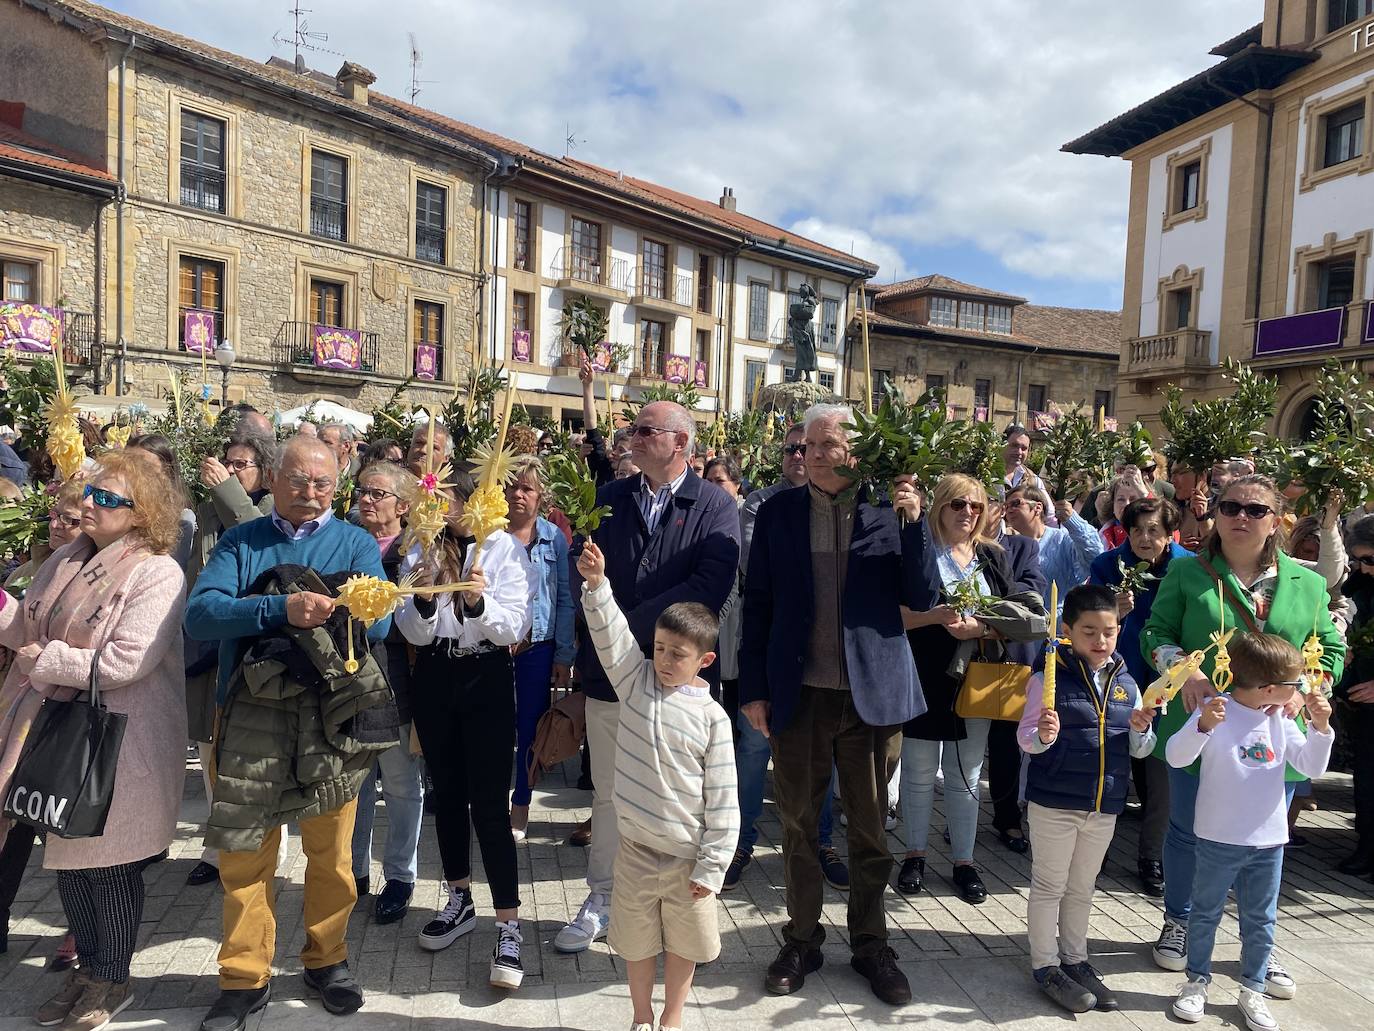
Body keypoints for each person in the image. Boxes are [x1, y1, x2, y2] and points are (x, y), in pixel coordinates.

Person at [186, 436, 394, 1031]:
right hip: (251, 717)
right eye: (299, 480)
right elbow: (201, 613)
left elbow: (378, 618)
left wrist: (351, 606)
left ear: (339, 485)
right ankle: (243, 978)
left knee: (331, 855)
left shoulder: (354, 542)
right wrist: (279, 610)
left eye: (323, 483)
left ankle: (327, 961)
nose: (310, 492)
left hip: (333, 719)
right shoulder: (242, 540)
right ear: (272, 479)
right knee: (244, 852)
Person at [739, 403, 932, 1006]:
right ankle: (801, 939)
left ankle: (871, 944)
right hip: (800, 695)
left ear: (858, 448)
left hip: (872, 697)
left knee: (870, 830)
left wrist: (913, 524)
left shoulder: (888, 506)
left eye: (829, 444)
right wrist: (753, 690)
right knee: (798, 824)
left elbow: (923, 593)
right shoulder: (777, 512)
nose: (816, 455)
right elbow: (759, 603)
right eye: (807, 445)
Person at [2, 450, 187, 1029]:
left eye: (107, 499)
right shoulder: (65, 557)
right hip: (58, 729)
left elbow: (128, 659)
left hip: (116, 741)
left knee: (108, 867)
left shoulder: (158, 571)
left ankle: (112, 979)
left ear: (141, 514)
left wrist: (45, 660)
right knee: (68, 860)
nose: (89, 504)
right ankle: (88, 972)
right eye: (90, 493)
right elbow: (27, 626)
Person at [1140, 474, 1344, 990]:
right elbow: (1154, 634)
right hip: (1205, 724)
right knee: (1187, 828)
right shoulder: (1189, 573)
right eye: (1230, 506)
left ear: (1277, 520)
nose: (1240, 516)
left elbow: (1331, 650)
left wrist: (1306, 686)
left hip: (1278, 732)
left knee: (1269, 839)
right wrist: (1186, 672)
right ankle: (1180, 921)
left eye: (1255, 510)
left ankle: (1261, 944)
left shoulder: (1309, 583)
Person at [555, 401, 739, 955]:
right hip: (610, 677)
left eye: (644, 430)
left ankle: (674, 901)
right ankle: (602, 899)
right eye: (632, 430)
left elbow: (710, 584)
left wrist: (627, 628)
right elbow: (579, 571)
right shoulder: (609, 499)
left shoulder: (713, 505)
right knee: (611, 793)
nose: (630, 437)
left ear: (680, 444)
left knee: (681, 794)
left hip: (677, 681)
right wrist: (604, 621)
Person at [577, 539, 737, 1031]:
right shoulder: (636, 681)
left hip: (689, 859)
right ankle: (641, 1016)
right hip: (637, 851)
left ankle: (672, 1017)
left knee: (685, 948)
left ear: (704, 662)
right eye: (660, 649)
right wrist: (598, 585)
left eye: (678, 655)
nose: (664, 661)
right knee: (636, 941)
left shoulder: (713, 719)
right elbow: (613, 638)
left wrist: (712, 868)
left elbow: (724, 802)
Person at [395, 469, 535, 988]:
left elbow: (514, 627)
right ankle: (458, 899)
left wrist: (478, 603)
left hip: (486, 678)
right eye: (433, 495)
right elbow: (409, 627)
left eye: (447, 494)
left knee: (489, 806)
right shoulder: (422, 546)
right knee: (447, 795)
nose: (439, 502)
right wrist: (427, 600)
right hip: (435, 676)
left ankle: (509, 924)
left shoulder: (502, 549)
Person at [1165, 633, 1334, 1031]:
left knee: (1260, 919)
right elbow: (1176, 755)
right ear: (1269, 687)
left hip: (1268, 842)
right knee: (1204, 914)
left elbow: (1311, 767)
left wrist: (1321, 728)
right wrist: (1202, 727)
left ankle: (1252, 988)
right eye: (1295, 684)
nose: (1299, 691)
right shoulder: (1215, 709)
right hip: (1218, 837)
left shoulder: (1281, 719)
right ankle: (1196, 982)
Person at [898, 473, 1045, 905]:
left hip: (978, 678)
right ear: (938, 506)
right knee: (920, 773)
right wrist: (938, 618)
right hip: (924, 675)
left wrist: (979, 626)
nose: (968, 513)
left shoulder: (993, 556)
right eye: (958, 505)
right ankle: (914, 856)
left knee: (966, 777)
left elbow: (1016, 616)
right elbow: (898, 615)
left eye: (977, 506)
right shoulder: (918, 549)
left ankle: (964, 862)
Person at [1018, 585, 1157, 1013]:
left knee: (1081, 888)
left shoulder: (1128, 682)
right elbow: (1025, 740)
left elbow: (1141, 750)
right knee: (1049, 886)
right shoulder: (1047, 677)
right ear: (1067, 631)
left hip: (1104, 805)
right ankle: (1045, 965)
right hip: (1055, 804)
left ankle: (1075, 958)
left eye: (1109, 632)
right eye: (1089, 631)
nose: (1100, 641)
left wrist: (1139, 729)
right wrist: (1044, 735)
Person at [727, 424, 848, 891]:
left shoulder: (851, 504)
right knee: (755, 750)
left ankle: (823, 841)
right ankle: (741, 840)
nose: (802, 455)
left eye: (813, 447)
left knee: (827, 759)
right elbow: (761, 572)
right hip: (777, 656)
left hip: (827, 666)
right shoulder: (764, 504)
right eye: (794, 448)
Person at [0, 481, 93, 971]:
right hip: (21, 707)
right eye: (55, 515)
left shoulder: (103, 572)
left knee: (61, 829)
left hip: (69, 713)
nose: (59, 525)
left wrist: (47, 658)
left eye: (71, 520)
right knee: (14, 818)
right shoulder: (39, 566)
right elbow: (21, 630)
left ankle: (84, 930)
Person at [184, 429, 279, 888]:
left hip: (250, 645)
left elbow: (258, 546)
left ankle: (244, 843)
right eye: (229, 463)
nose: (232, 470)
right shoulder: (207, 512)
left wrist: (228, 489)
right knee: (208, 748)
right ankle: (214, 844)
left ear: (264, 470)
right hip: (207, 645)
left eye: (242, 464)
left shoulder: (269, 511)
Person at [1089, 496, 1190, 897]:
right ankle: (1097, 853)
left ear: (1169, 534)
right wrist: (1114, 610)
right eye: (1136, 531)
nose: (1144, 539)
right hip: (1120, 675)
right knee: (1114, 764)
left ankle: (1152, 857)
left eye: (1153, 531)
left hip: (1168, 680)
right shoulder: (1107, 565)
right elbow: (1087, 622)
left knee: (1160, 773)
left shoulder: (1186, 567)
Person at [349, 461, 425, 925]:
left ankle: (399, 875)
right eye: (362, 490)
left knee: (399, 783)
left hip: (396, 682)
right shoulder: (345, 542)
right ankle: (352, 871)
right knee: (352, 785)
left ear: (403, 505)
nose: (367, 499)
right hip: (349, 684)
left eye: (378, 493)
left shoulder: (415, 552)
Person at [503, 455, 574, 843]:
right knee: (495, 726)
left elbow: (564, 598)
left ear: (540, 496)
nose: (518, 494)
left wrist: (564, 655)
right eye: (513, 486)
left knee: (530, 730)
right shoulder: (491, 534)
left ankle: (522, 802)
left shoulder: (553, 539)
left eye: (527, 488)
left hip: (537, 647)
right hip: (494, 648)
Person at [1336, 516, 1374, 875]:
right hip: (1363, 703)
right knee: (1365, 780)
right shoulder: (1362, 586)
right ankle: (1366, 846)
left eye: (1370, 560)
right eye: (1359, 560)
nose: (1363, 568)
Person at [1004, 484, 1103, 621]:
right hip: (1019, 625)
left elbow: (1095, 559)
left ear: (1038, 507)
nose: (1009, 510)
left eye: (1016, 503)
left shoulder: (1062, 539)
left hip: (1059, 627)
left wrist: (1073, 521)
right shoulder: (1005, 545)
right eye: (1006, 507)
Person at [127, 433, 197, 569]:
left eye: (145, 467)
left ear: (167, 473)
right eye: (128, 464)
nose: (134, 474)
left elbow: (172, 569)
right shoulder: (112, 506)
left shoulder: (182, 520)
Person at [1096, 474, 1149, 550]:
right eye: (1121, 499)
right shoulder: (1101, 537)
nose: (1126, 504)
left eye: (1133, 499)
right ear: (1112, 505)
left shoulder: (1153, 535)